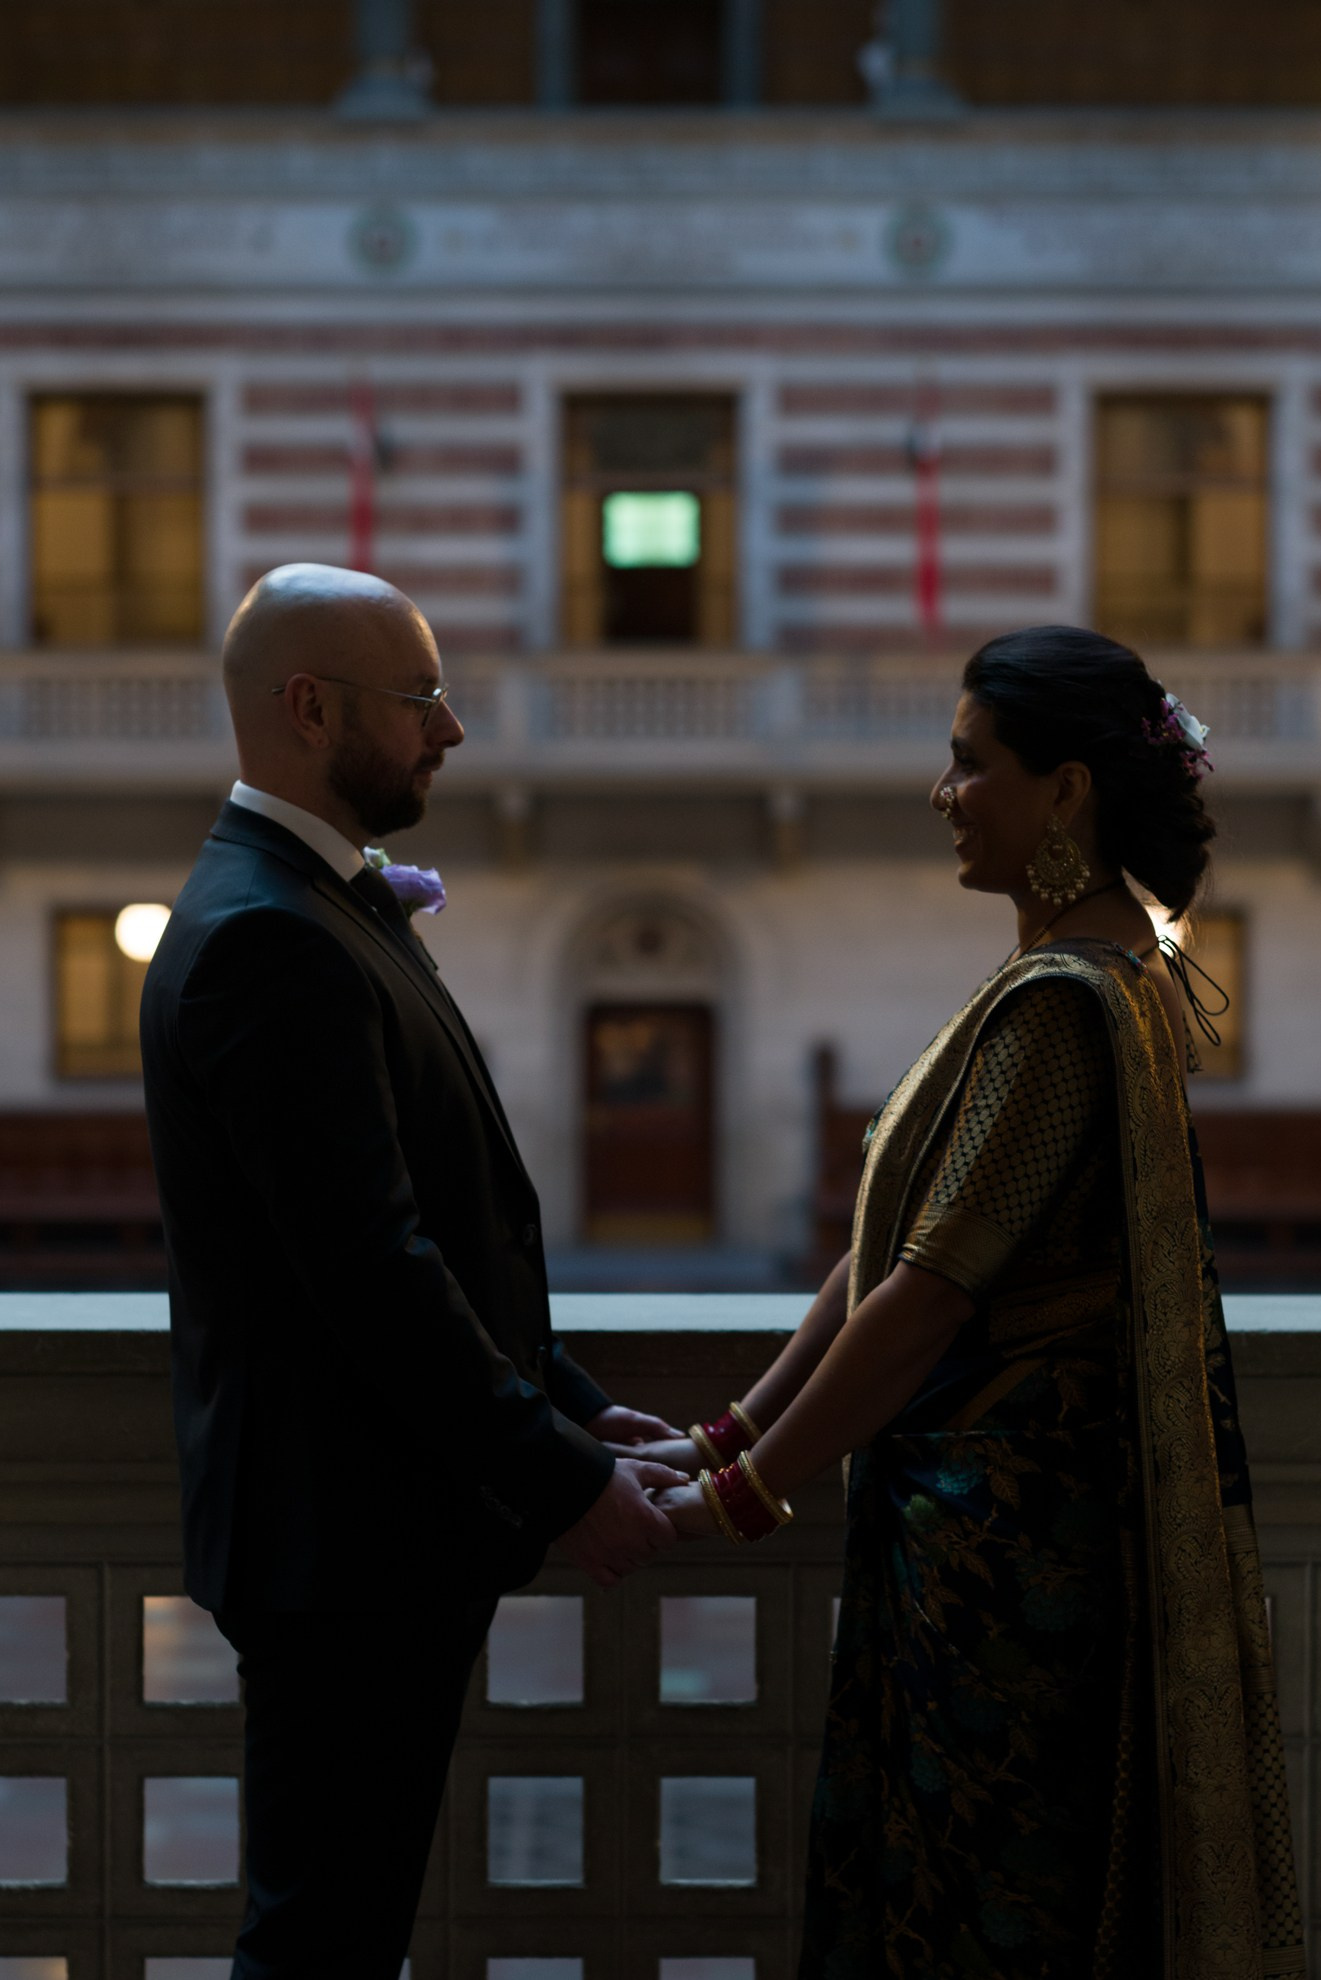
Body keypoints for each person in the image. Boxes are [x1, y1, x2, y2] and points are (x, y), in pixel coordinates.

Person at [653, 627, 1304, 1977]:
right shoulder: (1079, 973)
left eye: (969, 762)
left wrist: (745, 1492)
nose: (941, 792)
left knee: (980, 1917)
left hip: (1005, 1568)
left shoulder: (1065, 1002)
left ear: (1064, 791)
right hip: (995, 1534)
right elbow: (887, 1248)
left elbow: (924, 1297)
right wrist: (728, 1436)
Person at [139, 562, 685, 1980]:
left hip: (366, 1529)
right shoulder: (268, 934)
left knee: (343, 1928)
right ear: (312, 710)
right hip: (340, 1540)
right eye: (422, 699)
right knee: (322, 1945)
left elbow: (439, 1220)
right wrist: (562, 1479)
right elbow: (371, 1270)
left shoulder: (312, 902)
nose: (450, 731)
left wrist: (569, 1401)